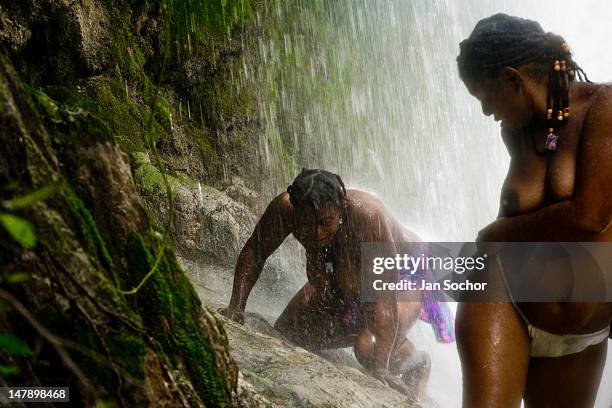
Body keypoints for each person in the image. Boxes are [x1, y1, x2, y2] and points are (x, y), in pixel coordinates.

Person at [456, 13, 612, 408]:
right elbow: (520, 214)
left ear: (513, 79)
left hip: (583, 330)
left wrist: (491, 235)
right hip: (503, 298)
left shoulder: (604, 107)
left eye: (484, 96)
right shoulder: (516, 131)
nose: (486, 112)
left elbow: (589, 217)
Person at [220, 168, 454, 399]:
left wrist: (380, 367)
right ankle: (386, 342)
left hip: (404, 275)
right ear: (295, 209)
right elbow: (255, 251)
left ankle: (415, 364)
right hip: (342, 276)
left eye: (325, 222)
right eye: (305, 225)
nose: (316, 233)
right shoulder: (286, 209)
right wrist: (236, 307)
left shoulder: (368, 216)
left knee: (367, 348)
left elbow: (384, 295)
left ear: (341, 206)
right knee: (290, 332)